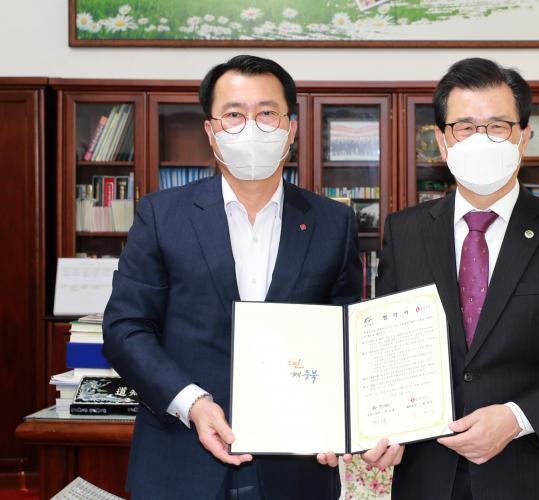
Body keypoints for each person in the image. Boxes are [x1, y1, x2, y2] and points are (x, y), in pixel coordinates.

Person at [103, 55, 361, 499]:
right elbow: (125, 328)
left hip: (297, 466)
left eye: (267, 113)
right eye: (234, 115)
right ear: (211, 130)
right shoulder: (162, 215)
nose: (251, 128)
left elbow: (347, 336)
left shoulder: (333, 223)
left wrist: (337, 418)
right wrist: (192, 403)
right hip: (181, 461)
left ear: (291, 128)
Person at [366, 58, 539, 499]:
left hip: (533, 472)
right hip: (428, 476)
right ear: (442, 142)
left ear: (523, 136)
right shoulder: (405, 232)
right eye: (465, 127)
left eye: (498, 126)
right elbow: (384, 347)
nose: (481, 139)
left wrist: (516, 418)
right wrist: (381, 424)